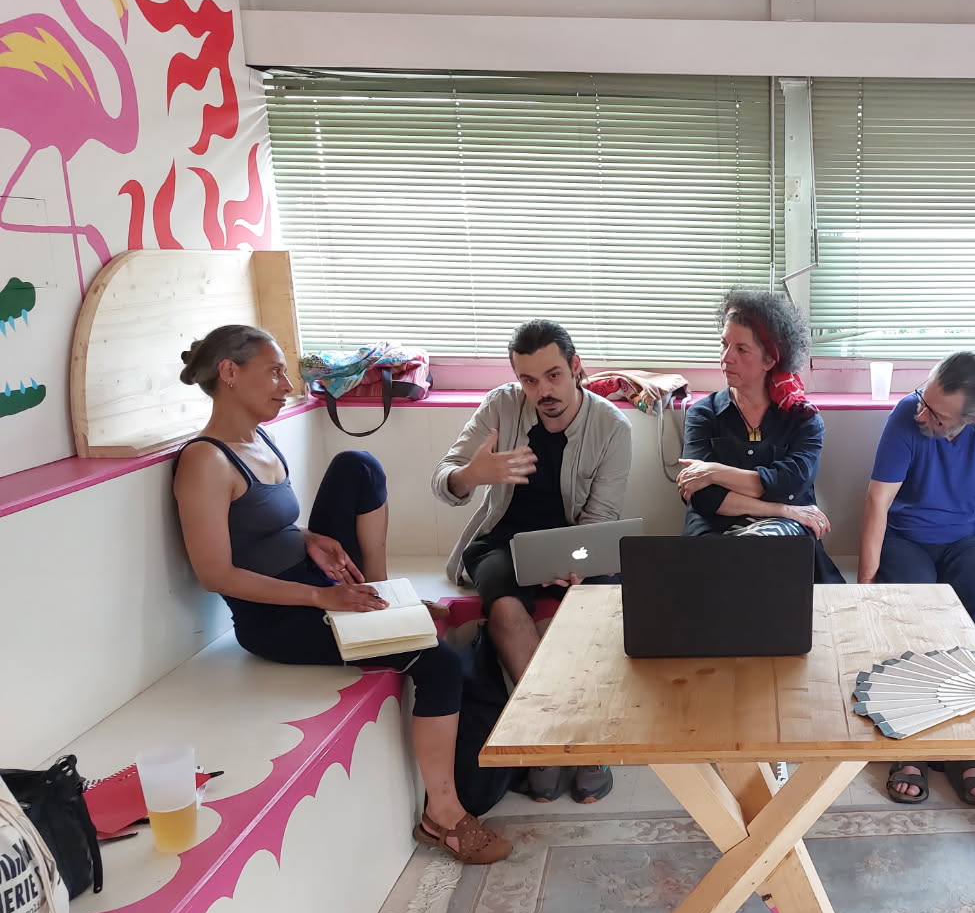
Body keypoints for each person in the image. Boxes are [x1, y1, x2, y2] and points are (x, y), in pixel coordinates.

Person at [172, 325, 510, 865]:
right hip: (276, 618)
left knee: (358, 466)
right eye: (274, 372)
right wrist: (320, 600)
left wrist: (308, 537)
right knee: (439, 664)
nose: (287, 385)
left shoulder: (259, 440)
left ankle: (385, 598)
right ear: (229, 374)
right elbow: (216, 573)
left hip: (312, 576)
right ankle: (443, 815)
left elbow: (262, 527)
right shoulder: (204, 462)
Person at [432, 319, 632, 804]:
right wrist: (472, 474)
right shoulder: (500, 406)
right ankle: (554, 739)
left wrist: (578, 562)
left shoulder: (611, 427)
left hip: (577, 544)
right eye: (529, 379)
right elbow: (444, 480)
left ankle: (578, 743)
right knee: (503, 606)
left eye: (553, 375)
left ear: (576, 367)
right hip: (503, 542)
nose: (543, 391)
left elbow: (602, 516)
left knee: (594, 609)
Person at [859, 351, 975, 806]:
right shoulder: (906, 415)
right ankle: (910, 745)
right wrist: (866, 582)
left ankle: (969, 747)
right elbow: (878, 501)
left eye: (936, 413)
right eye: (923, 399)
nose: (922, 414)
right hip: (905, 538)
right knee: (911, 612)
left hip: (967, 539)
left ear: (970, 419)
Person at [676, 289, 843, 583]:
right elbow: (702, 497)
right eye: (724, 344)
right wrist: (784, 509)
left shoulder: (803, 419)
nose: (726, 357)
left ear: (770, 360)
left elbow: (787, 483)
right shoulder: (703, 414)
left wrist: (714, 472)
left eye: (742, 349)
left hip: (783, 537)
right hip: (715, 532)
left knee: (765, 561)